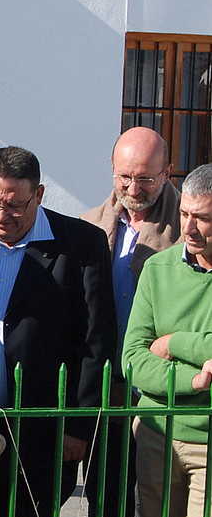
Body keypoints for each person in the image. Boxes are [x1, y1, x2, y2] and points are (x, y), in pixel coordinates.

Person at [0, 146, 116, 517]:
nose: (1, 215)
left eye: (14, 205)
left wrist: (79, 425)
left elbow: (97, 341)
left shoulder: (81, 244)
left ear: (39, 195)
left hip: (39, 428)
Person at [81, 126, 180, 517]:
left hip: (162, 389)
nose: (133, 189)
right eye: (124, 177)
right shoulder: (90, 225)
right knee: (106, 498)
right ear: (112, 169)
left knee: (160, 499)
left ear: (167, 172)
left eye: (146, 179)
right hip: (106, 388)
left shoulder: (187, 229)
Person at [122, 163, 212, 517]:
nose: (188, 227)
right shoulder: (158, 269)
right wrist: (194, 379)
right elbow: (133, 359)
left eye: (202, 218)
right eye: (184, 213)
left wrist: (173, 343)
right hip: (156, 433)